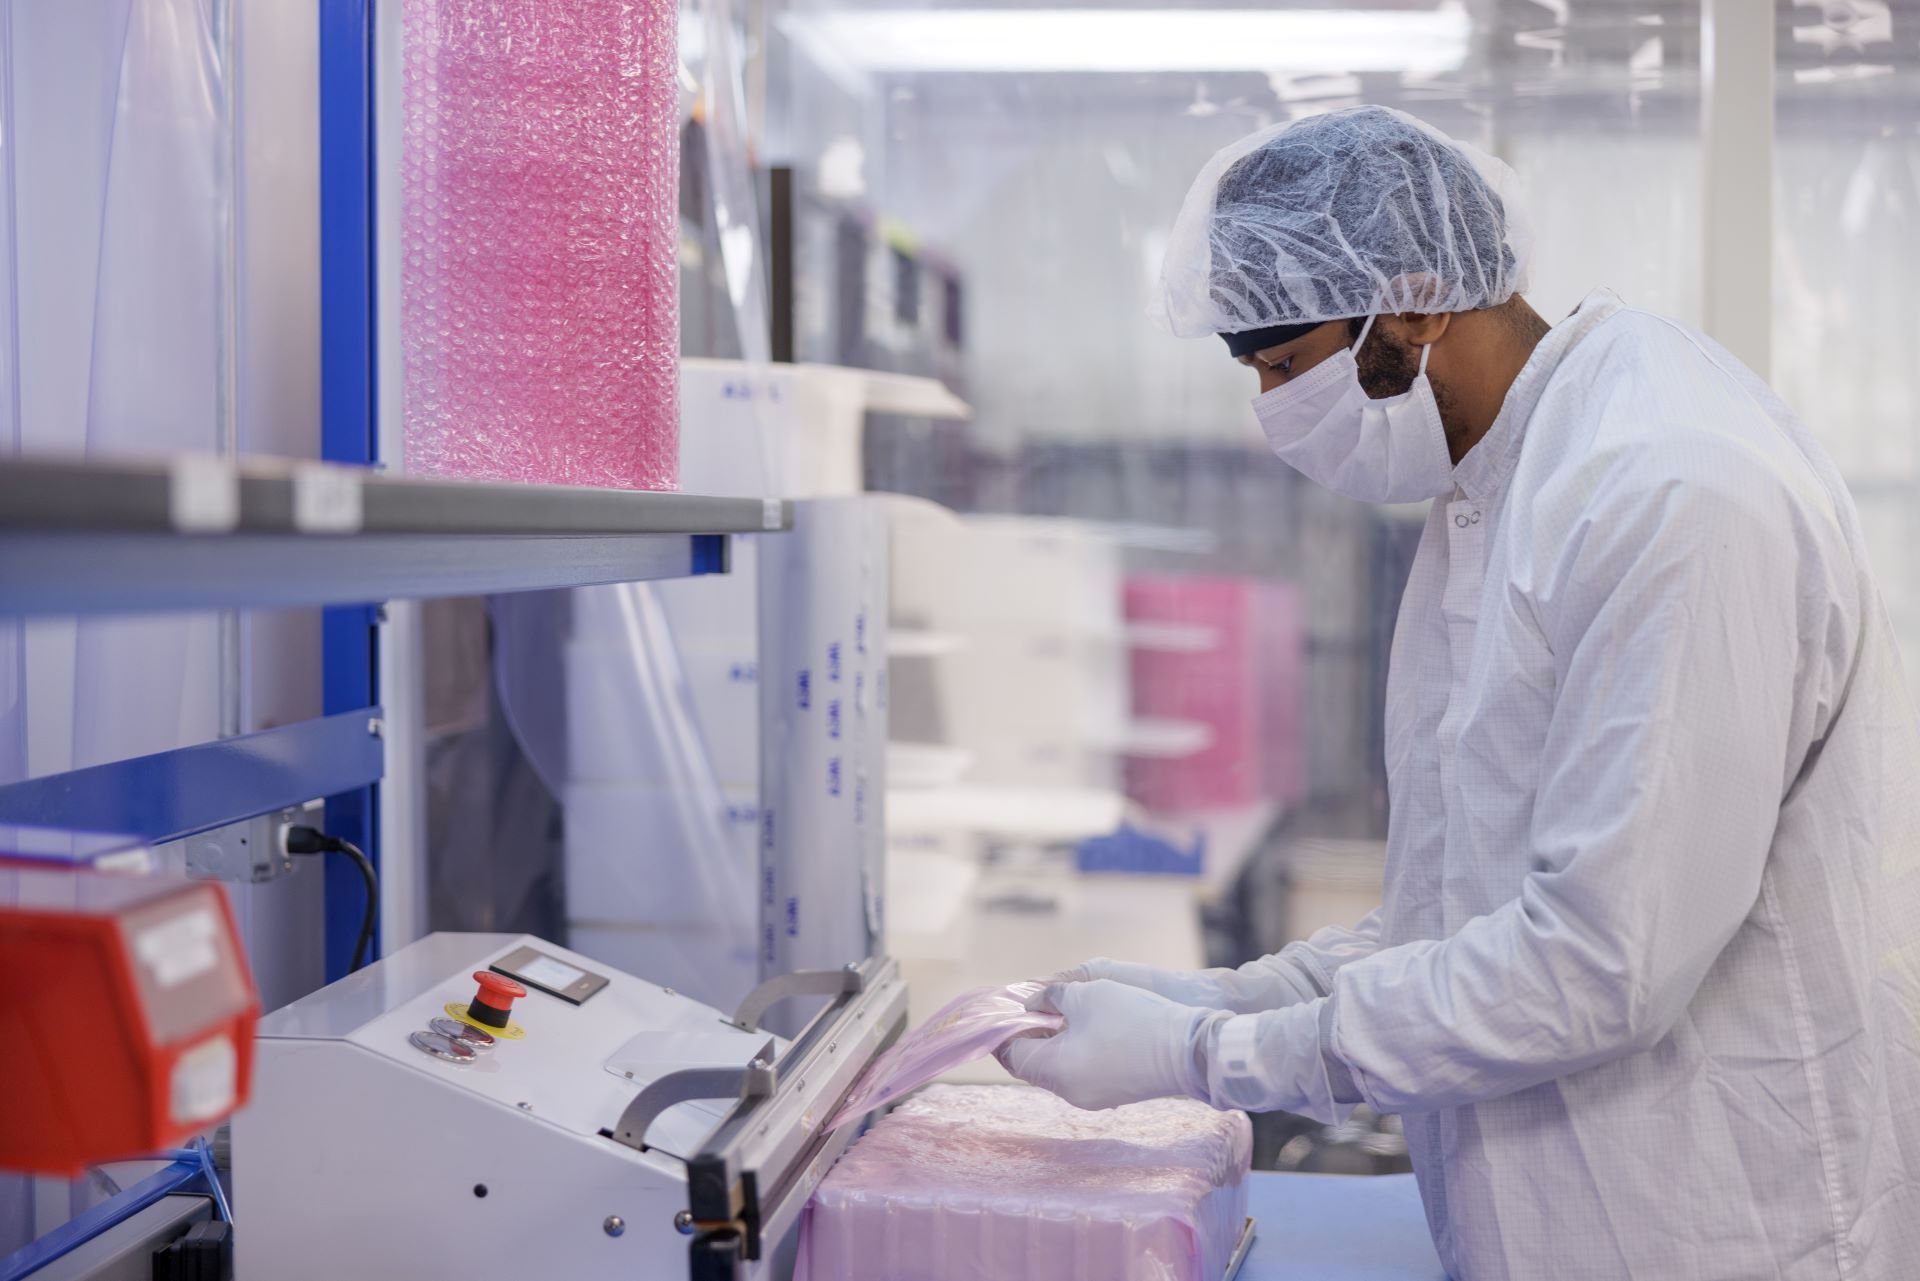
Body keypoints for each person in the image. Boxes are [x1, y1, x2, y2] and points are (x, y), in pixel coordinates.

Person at [997, 105, 1920, 1281]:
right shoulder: (1497, 480)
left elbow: (1597, 964)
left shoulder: (1665, 489)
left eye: (1288, 365)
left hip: (1721, 1222)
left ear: (1419, 293)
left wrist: (1208, 1057)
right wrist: (1222, 996)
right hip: (1572, 1210)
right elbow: (1455, 905)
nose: (1276, 409)